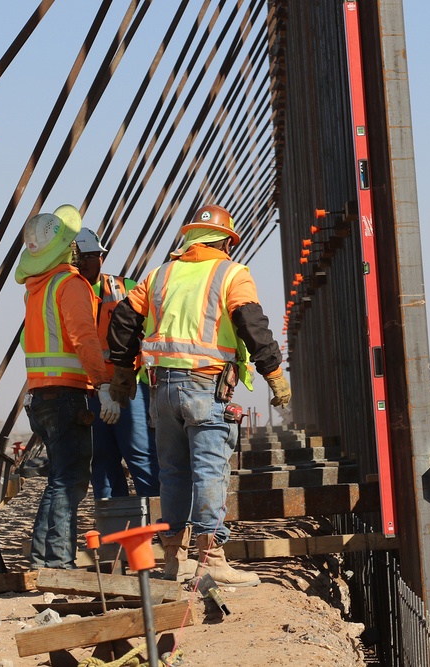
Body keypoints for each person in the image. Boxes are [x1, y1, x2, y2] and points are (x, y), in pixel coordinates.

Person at [106, 204, 291, 585]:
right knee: (210, 470)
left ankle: (175, 558)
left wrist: (122, 374)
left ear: (189, 238)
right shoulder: (232, 273)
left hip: (162, 389)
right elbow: (251, 324)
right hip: (205, 387)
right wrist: (273, 372)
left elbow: (124, 319)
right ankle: (213, 560)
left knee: (173, 472)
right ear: (225, 240)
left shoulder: (159, 276)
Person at [16, 204, 121, 569]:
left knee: (60, 478)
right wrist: (103, 385)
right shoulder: (69, 284)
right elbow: (84, 338)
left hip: (40, 395)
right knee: (71, 480)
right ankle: (57, 561)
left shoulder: (35, 289)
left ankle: (46, 559)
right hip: (67, 396)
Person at [73, 228, 159, 500]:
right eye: (79, 257)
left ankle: (159, 525)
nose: (84, 262)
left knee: (141, 456)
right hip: (90, 391)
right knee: (102, 460)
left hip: (128, 388)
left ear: (101, 257)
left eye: (90, 256)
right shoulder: (68, 292)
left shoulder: (126, 289)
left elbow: (152, 329)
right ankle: (114, 527)